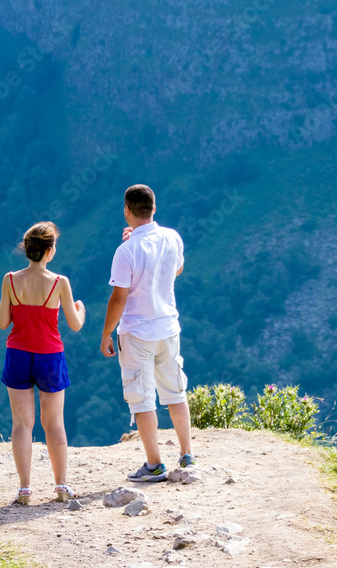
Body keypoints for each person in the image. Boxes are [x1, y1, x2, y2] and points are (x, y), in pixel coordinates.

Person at [100, 185, 195, 482]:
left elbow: (119, 298)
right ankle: (186, 454)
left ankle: (154, 465)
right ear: (154, 208)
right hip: (168, 327)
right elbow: (176, 271)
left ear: (127, 210)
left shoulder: (126, 251)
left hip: (137, 332)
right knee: (175, 393)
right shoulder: (172, 238)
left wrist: (106, 334)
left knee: (142, 400)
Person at [0, 221, 86, 504]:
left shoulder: (10, 279)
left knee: (22, 424)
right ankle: (61, 486)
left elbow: (2, 323)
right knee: (54, 424)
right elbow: (74, 324)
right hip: (50, 356)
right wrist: (80, 310)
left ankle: (25, 488)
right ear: (49, 251)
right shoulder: (60, 283)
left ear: (27, 249)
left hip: (18, 354)